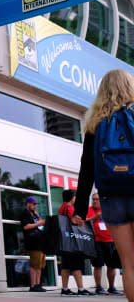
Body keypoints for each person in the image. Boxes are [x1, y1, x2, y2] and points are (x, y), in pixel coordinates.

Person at [73, 69, 134, 302]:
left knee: (129, 263)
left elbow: (86, 170)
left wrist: (80, 209)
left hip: (111, 198)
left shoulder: (95, 124)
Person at [87, 193, 123, 295]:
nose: (94, 201)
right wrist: (96, 217)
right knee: (98, 265)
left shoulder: (108, 210)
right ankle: (98, 287)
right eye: (93, 199)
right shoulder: (90, 210)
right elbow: (86, 221)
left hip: (110, 241)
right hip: (97, 241)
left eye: (97, 200)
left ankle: (111, 287)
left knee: (111, 266)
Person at [59, 189, 92, 296]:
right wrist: (90, 219)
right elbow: (74, 221)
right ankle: (81, 289)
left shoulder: (61, 208)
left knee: (66, 266)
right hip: (73, 241)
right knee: (76, 265)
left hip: (65, 240)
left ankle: (64, 289)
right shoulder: (69, 208)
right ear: (72, 197)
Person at [20, 196, 47, 292]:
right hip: (32, 242)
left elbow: (40, 224)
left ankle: (38, 284)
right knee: (34, 265)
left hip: (40, 242)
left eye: (35, 204)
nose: (35, 206)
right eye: (33, 204)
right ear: (28, 204)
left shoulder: (35, 214)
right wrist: (39, 224)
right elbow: (26, 226)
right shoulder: (25, 214)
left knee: (40, 265)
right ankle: (33, 285)